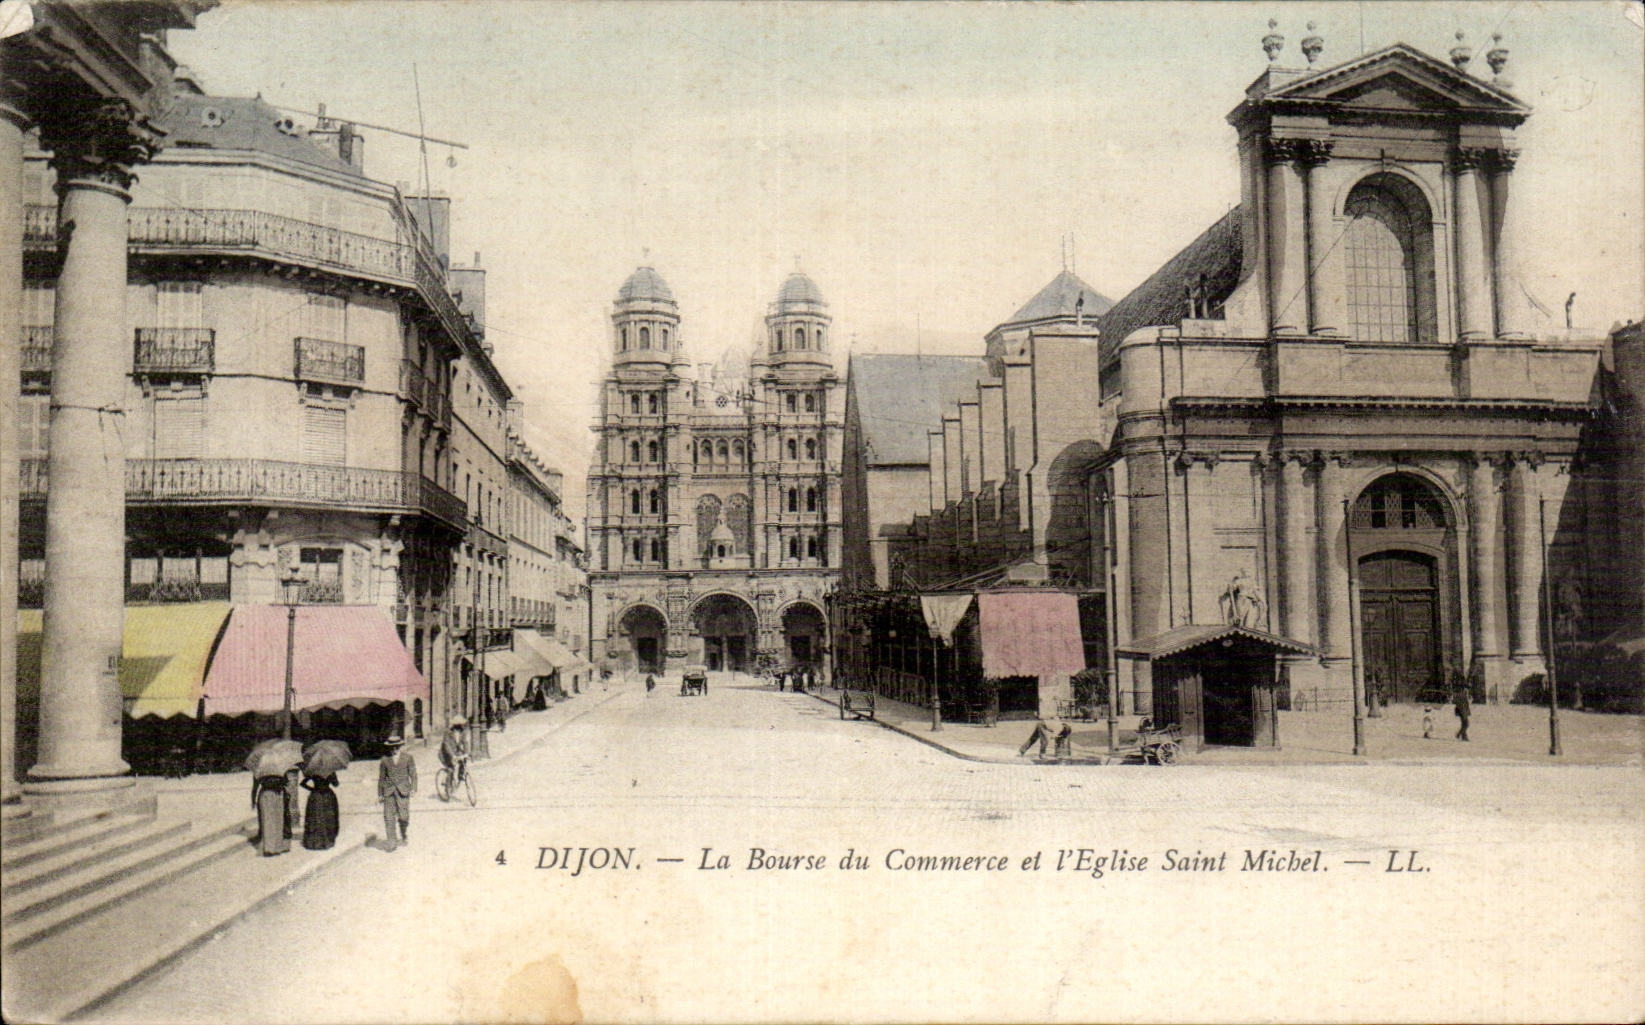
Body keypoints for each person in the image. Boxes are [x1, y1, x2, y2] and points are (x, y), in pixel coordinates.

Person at [378, 734, 417, 850]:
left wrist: (413, 788)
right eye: (392, 747)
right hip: (389, 791)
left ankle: (403, 834)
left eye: (396, 747)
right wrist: (380, 794)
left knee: (404, 817)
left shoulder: (408, 758)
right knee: (389, 817)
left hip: (403, 791)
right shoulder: (385, 760)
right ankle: (392, 842)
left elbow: (413, 774)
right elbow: (381, 778)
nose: (394, 750)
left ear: (400, 746)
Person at [301, 772, 340, 850]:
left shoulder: (313, 771)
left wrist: (313, 789)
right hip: (327, 796)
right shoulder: (330, 771)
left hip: (315, 796)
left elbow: (302, 784)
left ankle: (313, 843)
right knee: (328, 818)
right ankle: (326, 841)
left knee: (315, 818)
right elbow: (336, 784)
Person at [253, 772, 289, 856]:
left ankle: (269, 848)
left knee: (268, 821)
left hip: (266, 794)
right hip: (277, 794)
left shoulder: (260, 770)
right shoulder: (280, 770)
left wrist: (253, 799)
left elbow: (255, 786)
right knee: (277, 821)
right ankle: (276, 848)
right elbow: (286, 782)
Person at [439, 718, 469, 789]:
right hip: (445, 753)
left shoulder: (463, 732)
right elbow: (446, 745)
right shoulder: (447, 732)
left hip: (456, 752)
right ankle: (448, 787)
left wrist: (466, 753)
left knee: (463, 760)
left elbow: (465, 743)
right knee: (451, 768)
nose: (460, 727)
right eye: (458, 725)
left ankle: (460, 775)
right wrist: (452, 755)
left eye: (461, 725)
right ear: (454, 725)